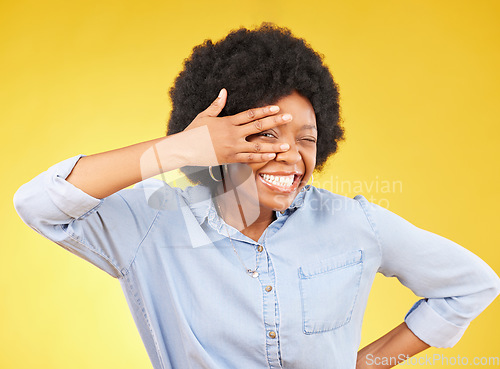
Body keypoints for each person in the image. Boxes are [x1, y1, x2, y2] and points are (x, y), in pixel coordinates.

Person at [13, 23, 500, 369]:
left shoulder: (353, 223)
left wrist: (368, 364)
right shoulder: (152, 228)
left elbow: (472, 285)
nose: (290, 154)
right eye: (266, 134)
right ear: (222, 142)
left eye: (306, 139)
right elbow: (39, 205)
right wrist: (182, 147)